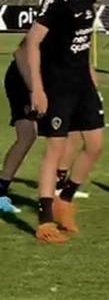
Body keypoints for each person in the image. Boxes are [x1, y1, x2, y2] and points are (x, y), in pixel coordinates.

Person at [25, 0, 109, 243]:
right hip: (56, 85)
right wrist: (37, 88)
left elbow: (84, 38)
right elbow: (33, 42)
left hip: (82, 83)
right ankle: (45, 220)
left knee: (96, 144)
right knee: (56, 149)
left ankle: (65, 201)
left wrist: (90, 71)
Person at [0, 44, 81, 215]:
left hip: (47, 81)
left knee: (71, 130)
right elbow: (20, 53)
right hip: (22, 80)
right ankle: (1, 190)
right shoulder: (49, 23)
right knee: (27, 135)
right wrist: (32, 90)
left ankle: (58, 187)